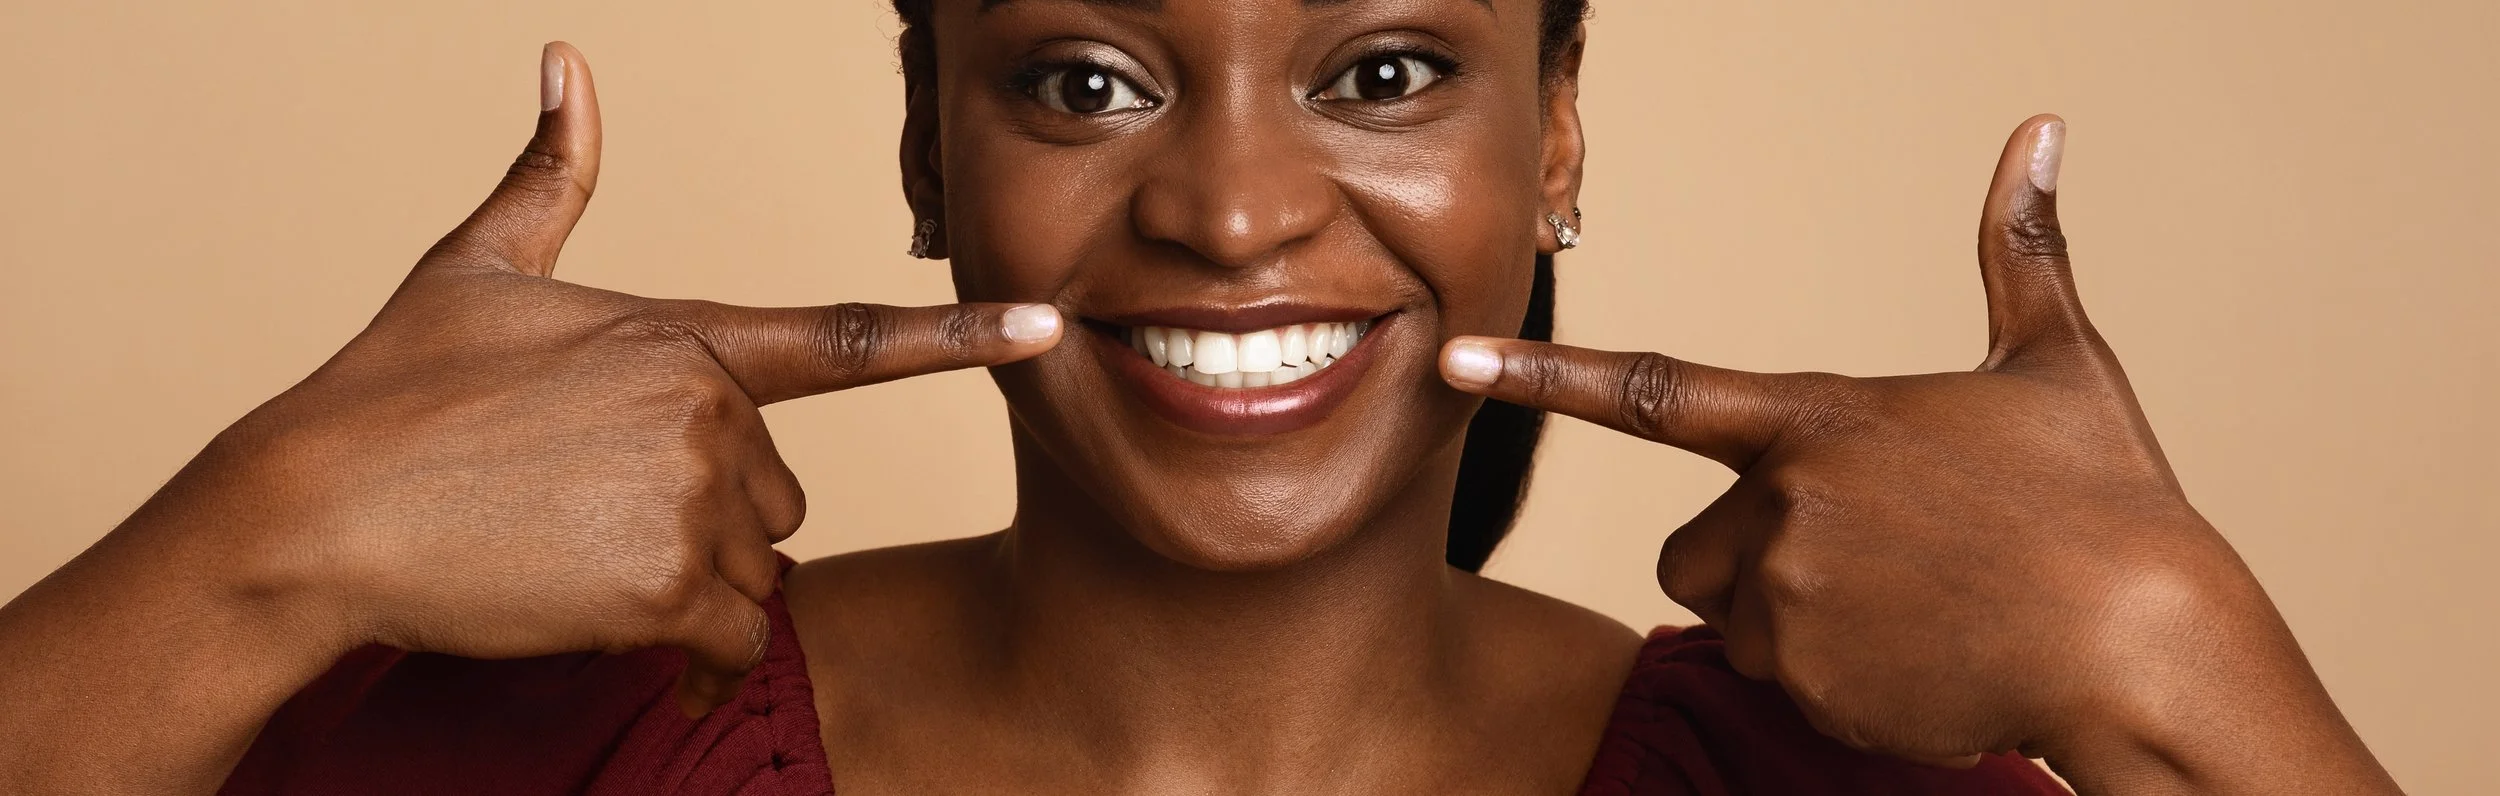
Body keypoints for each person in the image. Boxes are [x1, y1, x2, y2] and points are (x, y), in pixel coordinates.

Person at [0, 1, 2401, 793]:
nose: (1237, 208)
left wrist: (2181, 665)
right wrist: (254, 539)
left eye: (1376, 66)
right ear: (924, 146)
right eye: (1084, 79)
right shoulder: (538, 760)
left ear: (1548, 139)